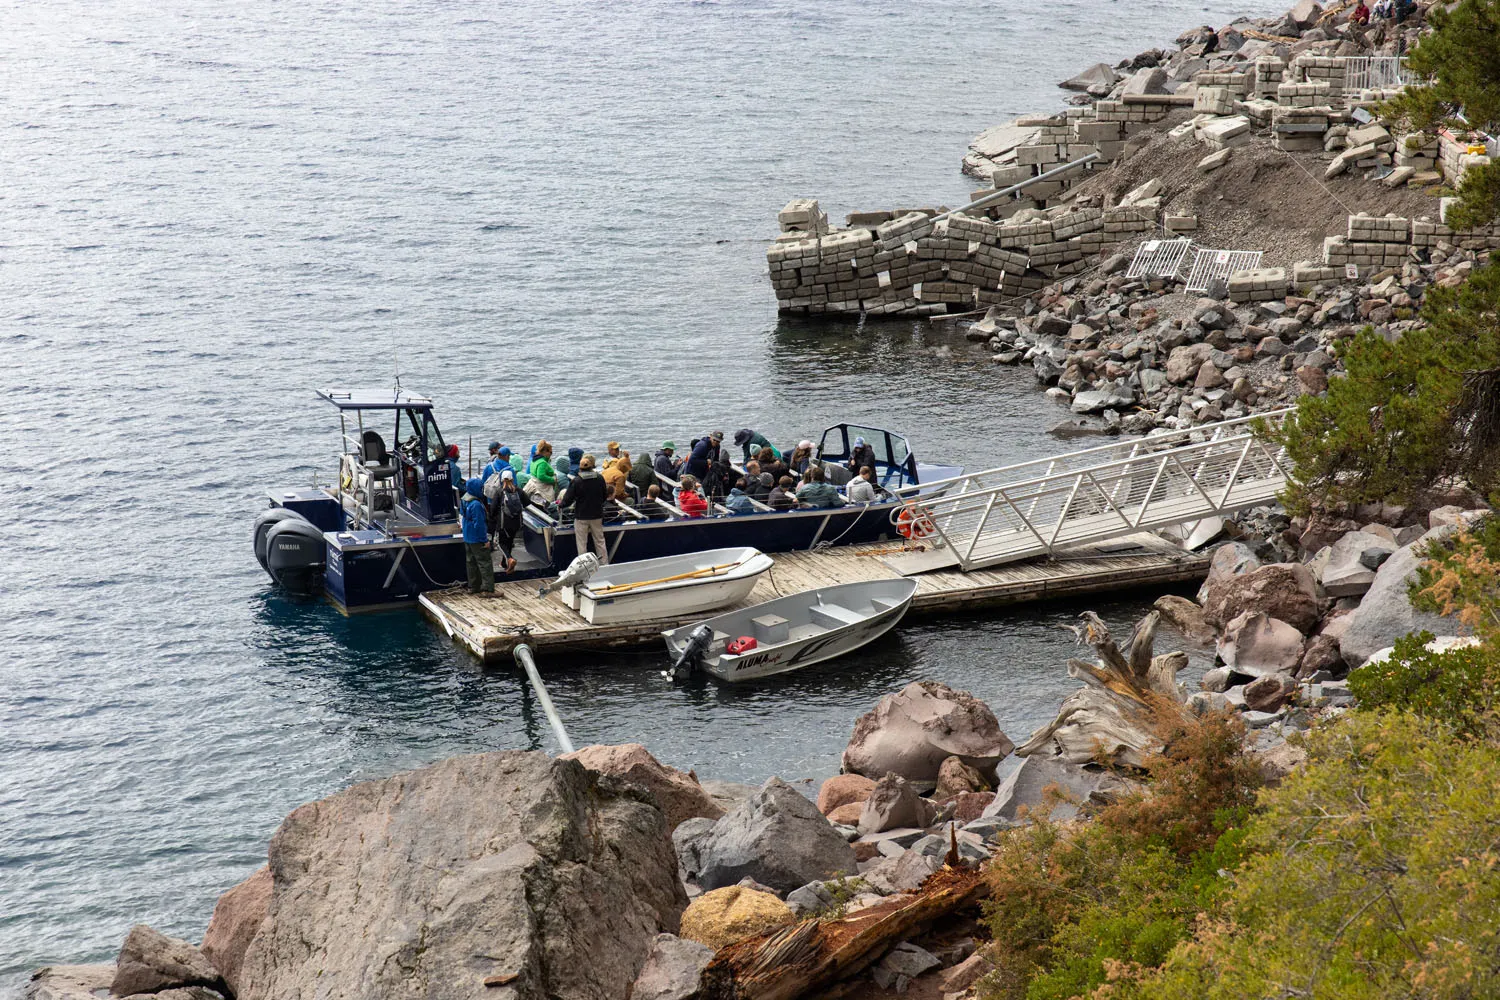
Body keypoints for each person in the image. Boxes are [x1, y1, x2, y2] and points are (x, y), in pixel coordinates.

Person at [558, 453, 608, 563]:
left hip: (581, 516)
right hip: (597, 515)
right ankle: (604, 564)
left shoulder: (576, 481)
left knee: (582, 544)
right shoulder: (600, 478)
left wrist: (560, 505)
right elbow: (605, 495)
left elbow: (568, 499)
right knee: (600, 542)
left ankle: (585, 567)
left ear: (580, 468)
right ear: (592, 466)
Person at [460, 478, 494, 594]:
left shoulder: (464, 499)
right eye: (481, 488)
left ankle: (473, 587)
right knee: (484, 562)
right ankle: (488, 589)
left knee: (471, 562)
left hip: (467, 536)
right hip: (476, 538)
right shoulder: (476, 505)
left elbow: (462, 515)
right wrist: (484, 540)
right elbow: (479, 524)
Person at [488, 470, 522, 574]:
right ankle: (504, 563)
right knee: (509, 542)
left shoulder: (499, 492)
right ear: (512, 478)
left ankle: (509, 559)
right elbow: (526, 503)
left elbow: (493, 509)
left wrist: (492, 519)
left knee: (500, 543)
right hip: (516, 522)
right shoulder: (518, 491)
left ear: (502, 480)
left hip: (503, 523)